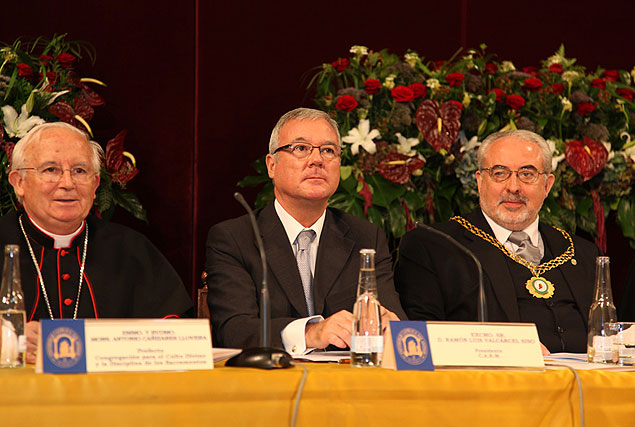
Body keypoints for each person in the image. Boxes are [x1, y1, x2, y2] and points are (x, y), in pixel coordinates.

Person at [205, 107, 405, 355]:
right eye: (300, 149)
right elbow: (234, 330)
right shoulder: (235, 239)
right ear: (272, 166)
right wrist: (311, 333)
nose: (317, 160)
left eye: (328, 151)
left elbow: (395, 325)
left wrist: (390, 326)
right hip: (270, 385)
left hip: (349, 385)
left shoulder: (365, 238)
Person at [3, 122, 193, 363]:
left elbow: (177, 333)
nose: (67, 183)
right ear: (19, 182)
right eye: (51, 170)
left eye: (80, 171)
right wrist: (7, 340)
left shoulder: (130, 248)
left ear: (95, 186)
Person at [395, 129, 599, 354]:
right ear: (480, 181)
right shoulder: (435, 246)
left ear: (547, 185)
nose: (513, 187)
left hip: (584, 385)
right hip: (488, 386)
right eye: (500, 173)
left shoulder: (582, 253)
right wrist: (511, 350)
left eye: (527, 174)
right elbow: (417, 342)